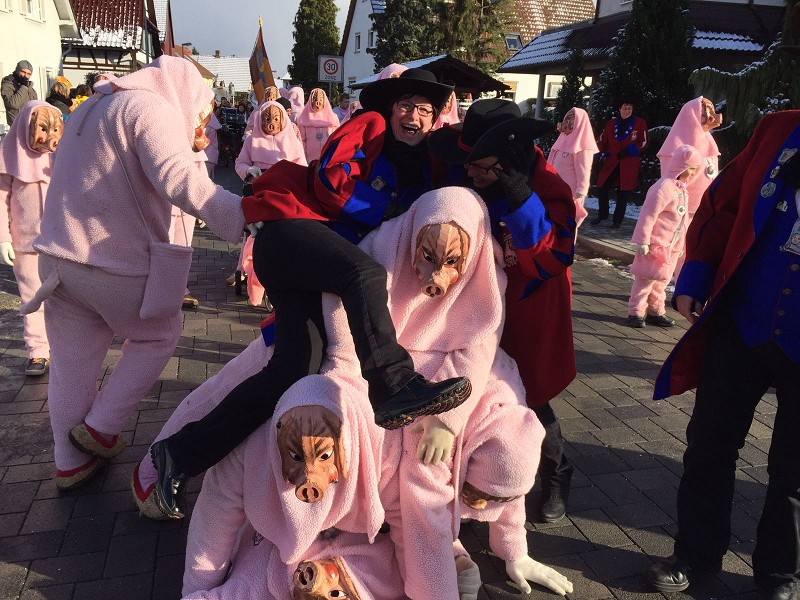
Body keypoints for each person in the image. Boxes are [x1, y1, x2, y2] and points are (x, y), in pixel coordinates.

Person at [149, 69, 469, 520]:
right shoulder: (372, 126)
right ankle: (395, 384)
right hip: (289, 233)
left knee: (293, 369)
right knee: (365, 274)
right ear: (391, 107)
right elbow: (330, 184)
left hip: (312, 266)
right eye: (406, 105)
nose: (413, 116)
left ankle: (178, 456)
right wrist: (383, 208)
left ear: (435, 119)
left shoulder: (425, 166)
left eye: (425, 110)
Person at [26, 56, 245, 491]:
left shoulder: (89, 107)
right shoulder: (150, 108)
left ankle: (70, 463)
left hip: (58, 259)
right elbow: (179, 179)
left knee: (70, 365)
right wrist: (246, 215)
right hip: (114, 263)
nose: (203, 124)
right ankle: (102, 426)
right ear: (184, 92)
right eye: (203, 112)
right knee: (159, 334)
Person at [645, 109, 800, 600]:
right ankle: (695, 553)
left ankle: (780, 574)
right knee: (709, 445)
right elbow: (723, 205)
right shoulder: (778, 128)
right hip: (744, 320)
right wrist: (696, 274)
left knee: (795, 471)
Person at [429, 98, 577, 524]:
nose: (471, 172)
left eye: (481, 166)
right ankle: (476, 478)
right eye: (469, 163)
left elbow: (552, 258)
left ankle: (556, 472)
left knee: (528, 397)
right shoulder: (467, 170)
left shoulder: (548, 187)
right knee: (472, 391)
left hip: (527, 310)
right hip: (473, 307)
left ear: (508, 162)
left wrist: (521, 200)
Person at [0, 101, 63, 376]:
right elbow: (0, 200)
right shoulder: (9, 157)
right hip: (25, 245)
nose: (50, 137)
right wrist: (2, 238)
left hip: (60, 245)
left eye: (55, 129)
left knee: (64, 300)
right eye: (43, 129)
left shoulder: (60, 158)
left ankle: (63, 346)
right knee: (31, 298)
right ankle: (38, 350)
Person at [627, 144, 701, 328]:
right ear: (681, 166)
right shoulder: (662, 188)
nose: (694, 174)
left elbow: (681, 218)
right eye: (692, 169)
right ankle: (635, 312)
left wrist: (682, 243)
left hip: (671, 245)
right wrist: (643, 241)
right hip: (656, 244)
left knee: (662, 280)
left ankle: (655, 311)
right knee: (645, 279)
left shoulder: (680, 188)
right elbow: (648, 215)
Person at [657, 96, 723, 280]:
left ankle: (683, 284)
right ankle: (662, 286)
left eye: (711, 111)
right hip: (681, 207)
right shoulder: (677, 142)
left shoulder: (708, 139)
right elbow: (671, 179)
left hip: (703, 206)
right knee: (676, 249)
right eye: (705, 112)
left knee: (693, 249)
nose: (710, 116)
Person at [591, 99, 649, 228]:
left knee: (623, 192)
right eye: (624, 108)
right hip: (612, 161)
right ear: (619, 109)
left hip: (628, 163)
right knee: (602, 187)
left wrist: (630, 150)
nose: (627, 111)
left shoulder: (640, 123)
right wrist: (596, 151)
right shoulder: (611, 124)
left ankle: (617, 221)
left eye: (629, 109)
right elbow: (603, 140)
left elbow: (644, 142)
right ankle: (602, 214)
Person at [547, 107, 598, 231]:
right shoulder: (563, 138)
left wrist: (581, 190)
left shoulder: (583, 145)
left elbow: (584, 169)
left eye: (572, 120)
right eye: (567, 119)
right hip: (555, 188)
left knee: (567, 222)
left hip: (570, 192)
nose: (568, 123)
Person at [296, 87, 340, 161]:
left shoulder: (333, 118)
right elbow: (301, 141)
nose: (317, 102)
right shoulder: (303, 118)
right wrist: (303, 158)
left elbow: (336, 138)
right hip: (310, 159)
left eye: (320, 99)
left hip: (328, 157)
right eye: (315, 99)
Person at [2, 60, 37, 125]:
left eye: (28, 74)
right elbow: (13, 104)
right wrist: (24, 87)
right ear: (17, 71)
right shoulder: (8, 84)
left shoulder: (31, 89)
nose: (25, 76)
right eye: (23, 72)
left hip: (31, 125)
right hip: (17, 125)